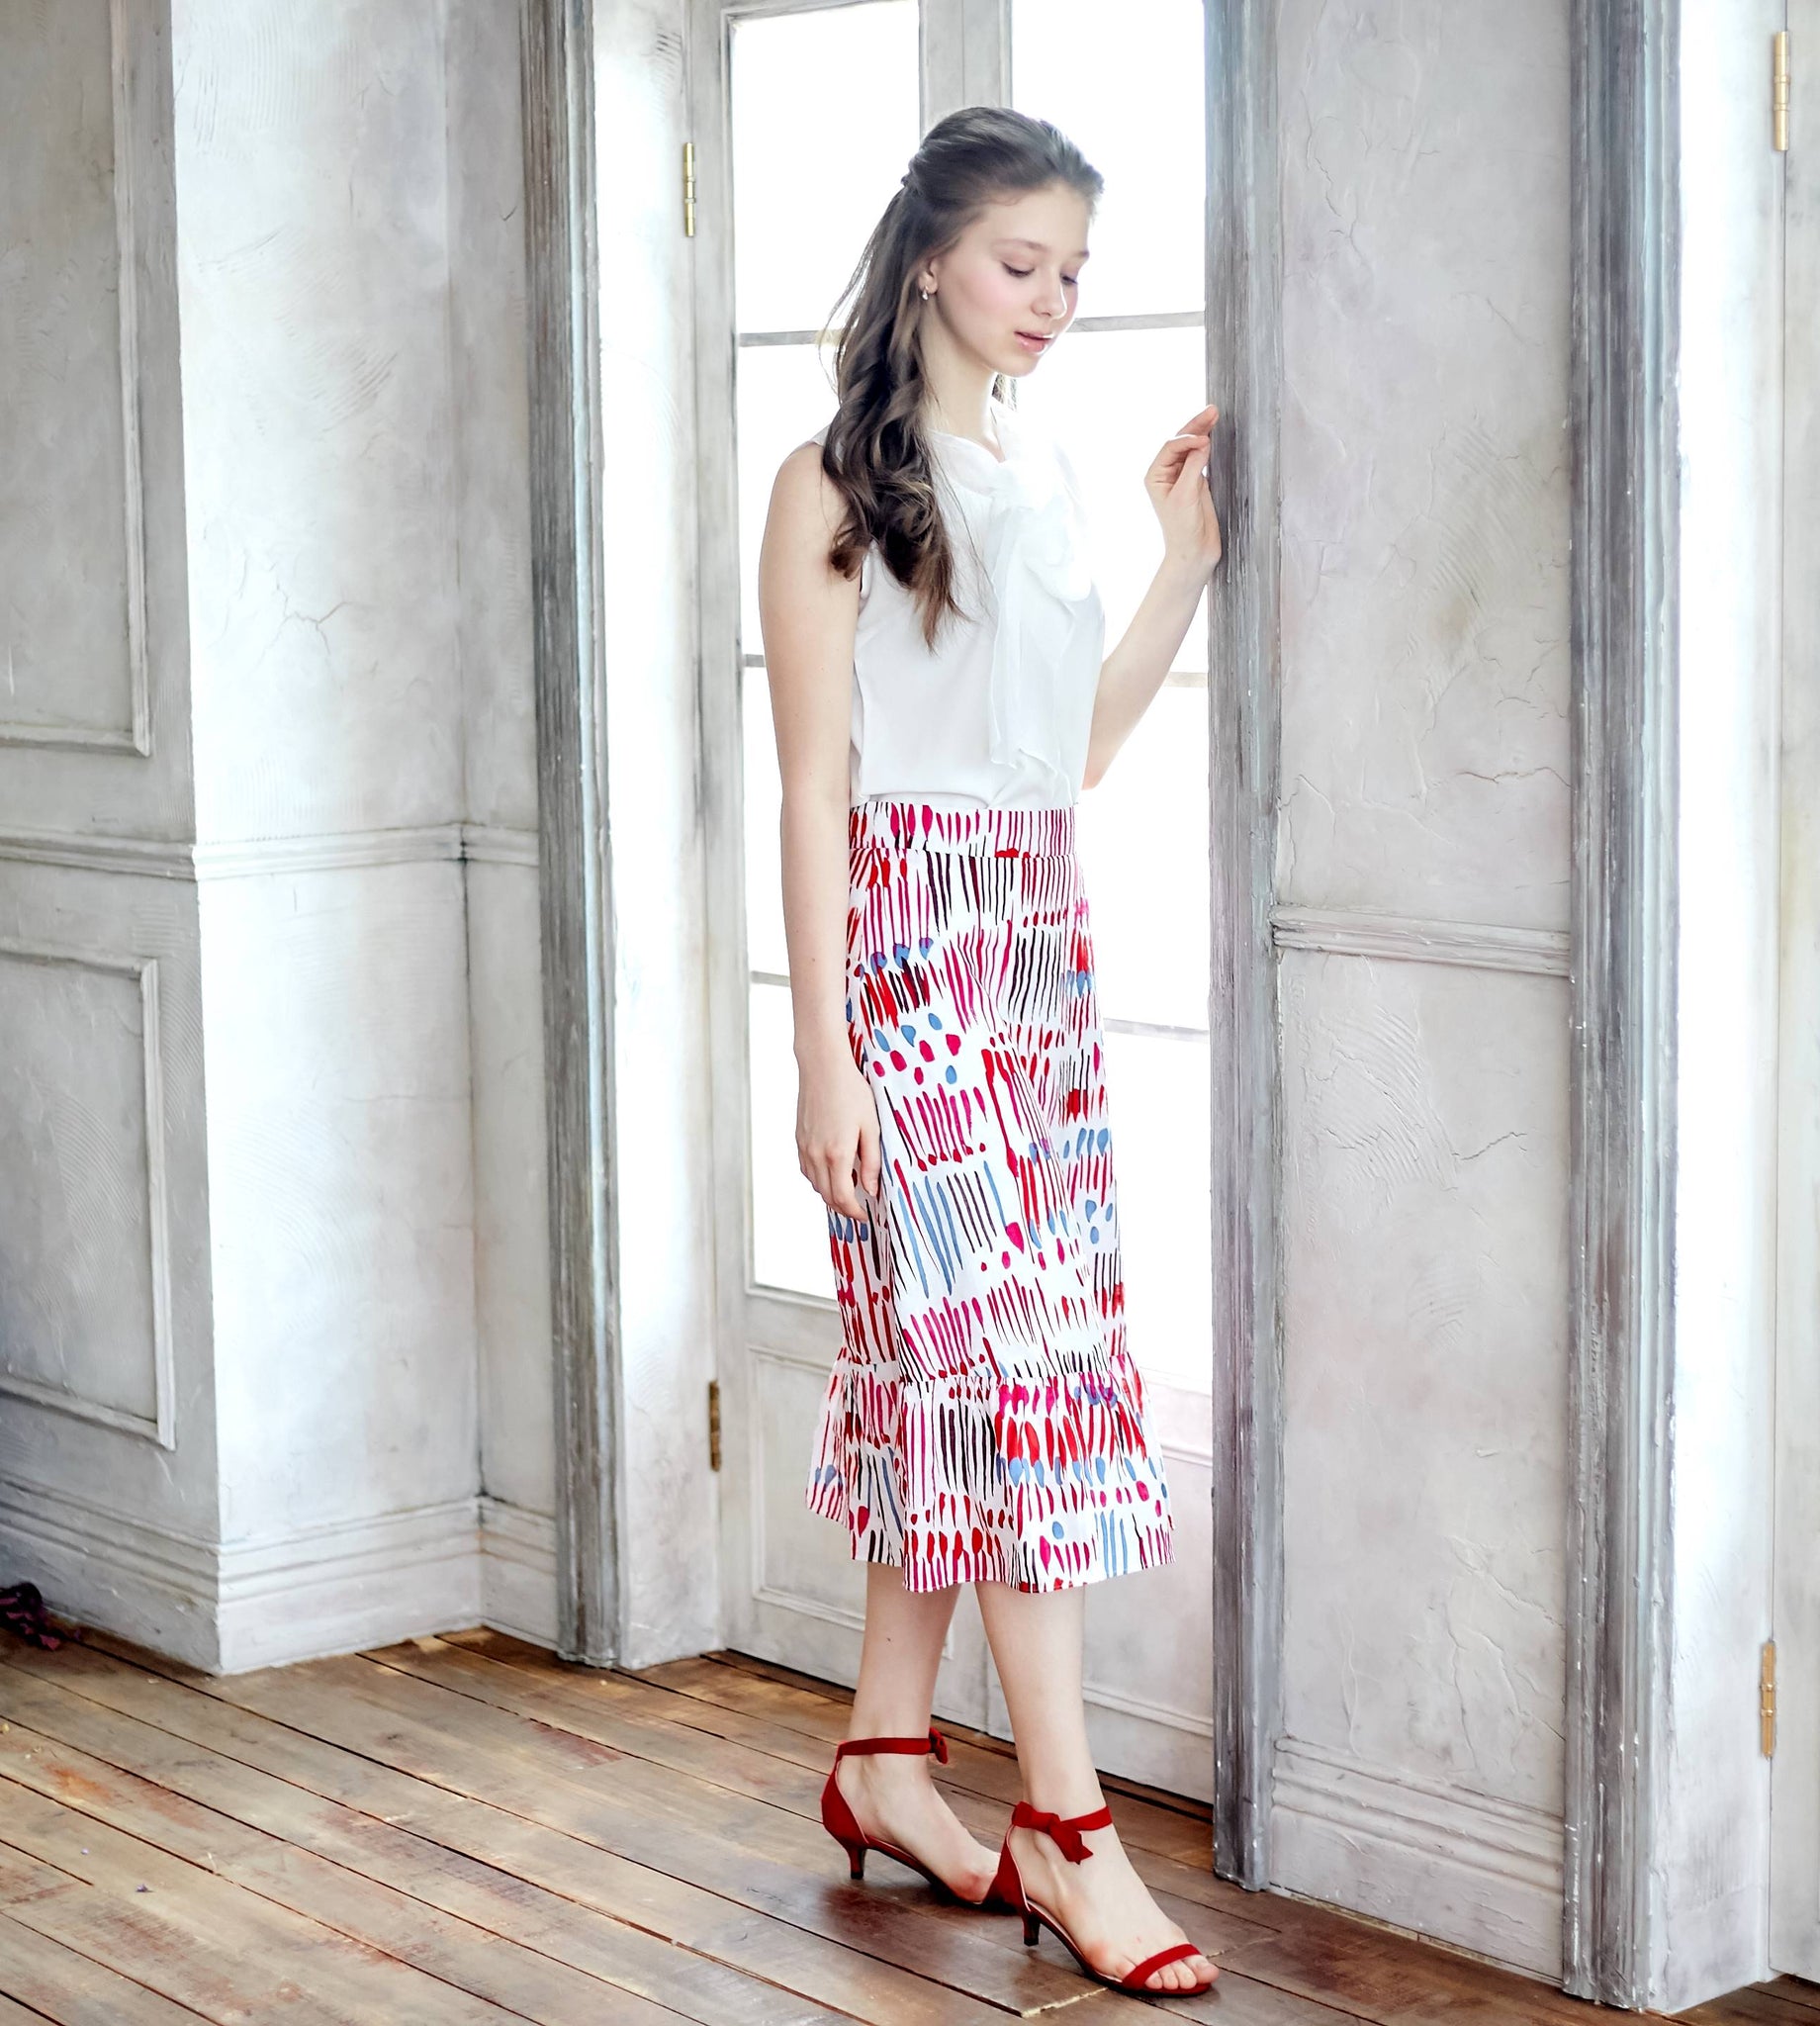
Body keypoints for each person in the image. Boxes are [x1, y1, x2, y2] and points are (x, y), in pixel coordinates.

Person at [755, 105, 1221, 1997]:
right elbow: (814, 790)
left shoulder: (1037, 471)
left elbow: (1069, 756)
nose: (1052, 299)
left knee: (955, 1378)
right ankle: (1070, 1828)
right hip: (905, 962)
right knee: (1004, 1386)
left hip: (1035, 953)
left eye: (1075, 274)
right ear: (935, 255)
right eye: (1024, 262)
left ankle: (885, 1756)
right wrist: (824, 1058)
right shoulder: (830, 487)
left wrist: (1179, 565)